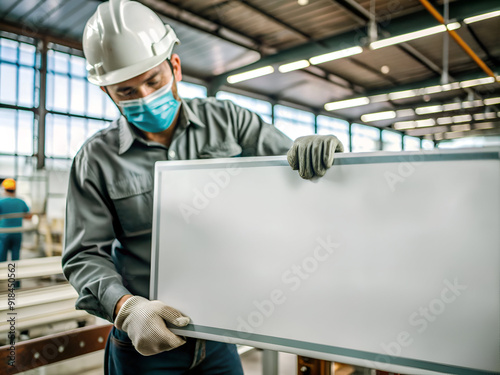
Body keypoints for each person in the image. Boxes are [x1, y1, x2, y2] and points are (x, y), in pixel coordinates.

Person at [62, 0, 344, 374]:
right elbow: (83, 254)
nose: (145, 96)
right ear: (109, 93)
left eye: (153, 80)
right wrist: (126, 308)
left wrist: (318, 155)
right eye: (127, 92)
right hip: (146, 343)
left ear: (174, 67)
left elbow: (292, 172)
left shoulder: (230, 122)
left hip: (220, 336)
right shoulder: (96, 159)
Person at [0, 178, 31, 263]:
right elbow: (29, 216)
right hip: (17, 232)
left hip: (3, 233)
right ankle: (13, 275)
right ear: (15, 189)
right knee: (15, 258)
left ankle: (3, 275)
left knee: (2, 257)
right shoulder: (21, 201)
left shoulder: (1, 201)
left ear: (4, 189)